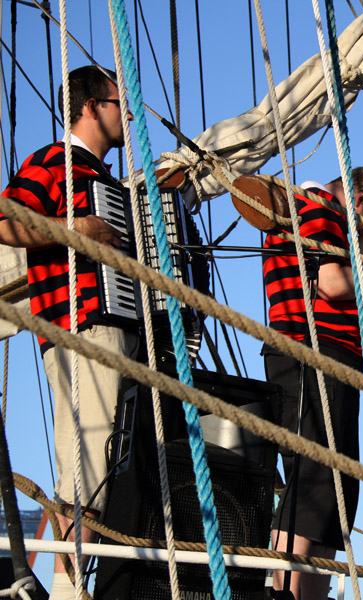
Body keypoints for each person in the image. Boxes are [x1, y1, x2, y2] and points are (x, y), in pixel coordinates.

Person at [0, 65, 136, 599]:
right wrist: (75, 228)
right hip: (83, 326)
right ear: (90, 107)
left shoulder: (105, 180)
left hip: (120, 331)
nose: (129, 114)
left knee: (114, 466)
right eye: (119, 102)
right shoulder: (53, 160)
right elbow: (6, 222)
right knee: (87, 467)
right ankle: (66, 591)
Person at [263, 167, 363, 600]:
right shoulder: (320, 208)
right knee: (315, 477)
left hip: (322, 354)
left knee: (336, 487)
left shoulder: (306, 209)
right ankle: (285, 592)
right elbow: (332, 284)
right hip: (314, 351)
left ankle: (311, 594)